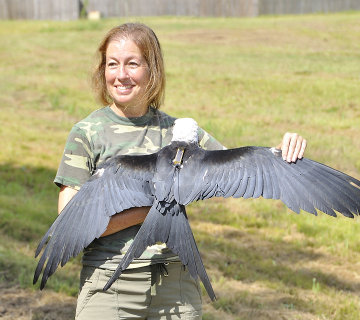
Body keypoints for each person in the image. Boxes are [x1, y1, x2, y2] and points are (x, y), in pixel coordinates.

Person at [55, 22, 307, 320]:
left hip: (174, 283)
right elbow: (68, 220)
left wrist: (282, 151)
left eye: (132, 64)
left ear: (153, 70)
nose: (121, 75)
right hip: (111, 284)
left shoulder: (181, 133)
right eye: (112, 64)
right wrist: (160, 202)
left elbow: (235, 169)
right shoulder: (87, 133)